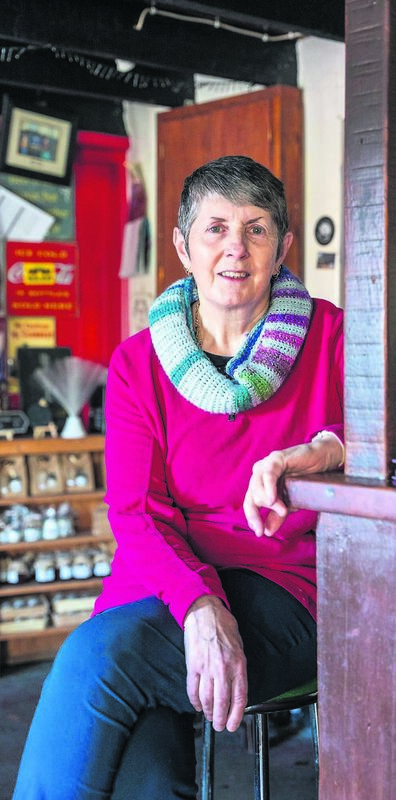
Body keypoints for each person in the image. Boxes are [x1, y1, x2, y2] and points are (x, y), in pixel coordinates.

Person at [13, 155, 344, 799]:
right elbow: (136, 513)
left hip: (284, 588)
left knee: (99, 661)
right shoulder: (138, 362)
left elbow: (380, 443)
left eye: (255, 228)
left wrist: (324, 450)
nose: (236, 248)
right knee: (140, 756)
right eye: (216, 228)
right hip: (159, 586)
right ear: (182, 246)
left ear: (283, 246)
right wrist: (199, 605)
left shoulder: (332, 335)